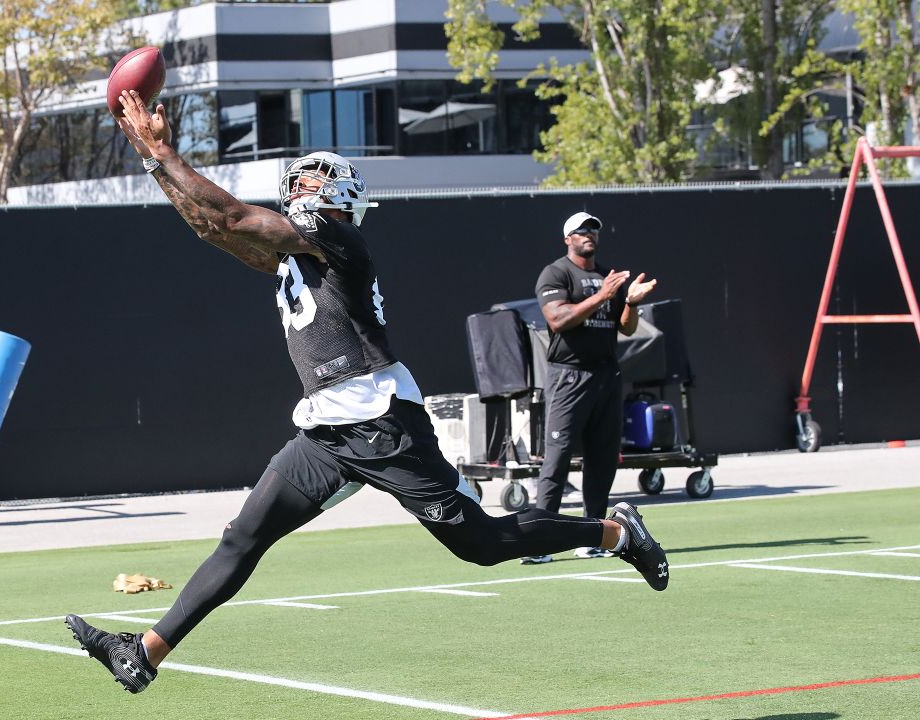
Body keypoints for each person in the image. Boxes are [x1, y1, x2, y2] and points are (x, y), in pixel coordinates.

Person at [64, 91, 669, 694]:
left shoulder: (342, 243)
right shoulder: (296, 255)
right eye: (300, 182)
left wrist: (164, 148)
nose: (303, 188)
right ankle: (144, 652)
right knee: (244, 536)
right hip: (329, 428)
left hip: (382, 422)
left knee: (483, 545)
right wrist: (150, 157)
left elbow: (231, 217)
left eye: (315, 182)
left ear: (345, 199)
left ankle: (615, 533)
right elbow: (212, 227)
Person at [520, 212, 658, 565]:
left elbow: (626, 329)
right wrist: (603, 296)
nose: (589, 235)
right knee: (558, 456)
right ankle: (541, 540)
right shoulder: (557, 273)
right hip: (569, 376)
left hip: (606, 376)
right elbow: (558, 319)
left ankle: (592, 536)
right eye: (582, 230)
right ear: (568, 238)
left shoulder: (607, 277)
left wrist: (629, 302)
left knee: (602, 458)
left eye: (594, 229)